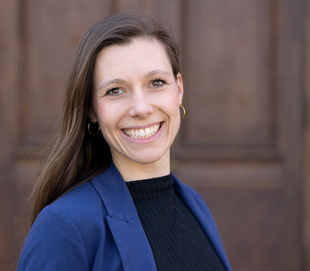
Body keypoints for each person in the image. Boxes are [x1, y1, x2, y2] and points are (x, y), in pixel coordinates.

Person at [17, 13, 231, 271]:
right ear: (91, 110)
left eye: (156, 83)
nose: (141, 108)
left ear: (179, 89)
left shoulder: (193, 204)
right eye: (115, 90)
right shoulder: (66, 224)